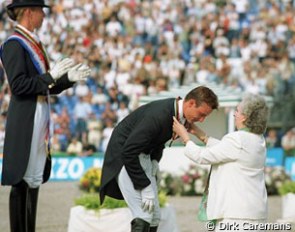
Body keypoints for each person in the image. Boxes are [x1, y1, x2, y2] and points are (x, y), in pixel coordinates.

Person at [0, 1, 91, 231]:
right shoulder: (14, 44)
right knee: (22, 181)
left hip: (39, 112)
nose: (43, 16)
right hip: (26, 116)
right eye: (40, 11)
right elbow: (19, 85)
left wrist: (66, 79)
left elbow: (43, 86)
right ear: (29, 12)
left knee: (33, 179)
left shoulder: (33, 43)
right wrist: (50, 76)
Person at [99, 86, 218, 232]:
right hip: (126, 160)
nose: (202, 120)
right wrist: (144, 184)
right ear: (191, 103)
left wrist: (154, 161)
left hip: (142, 157)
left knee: (155, 216)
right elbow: (129, 151)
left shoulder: (175, 113)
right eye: (201, 114)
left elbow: (157, 139)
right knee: (143, 216)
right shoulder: (159, 115)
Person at [173, 93, 268, 232]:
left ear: (245, 117)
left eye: (236, 111)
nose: (234, 115)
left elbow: (202, 156)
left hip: (236, 216)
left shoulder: (237, 139)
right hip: (255, 212)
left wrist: (185, 137)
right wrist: (201, 135)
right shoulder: (258, 139)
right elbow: (228, 151)